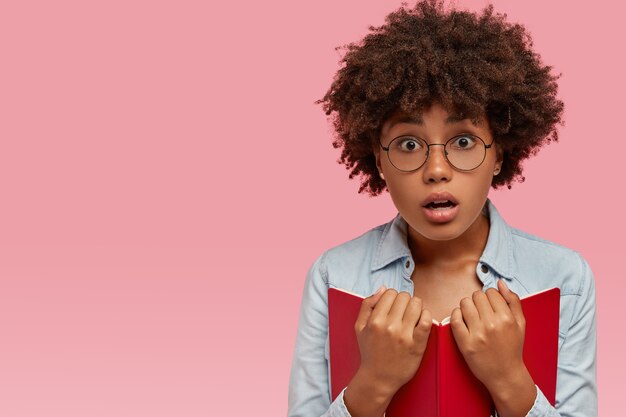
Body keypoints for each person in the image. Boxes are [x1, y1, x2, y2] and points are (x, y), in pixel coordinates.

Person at [286, 1, 597, 416]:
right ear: (378, 159)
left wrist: (510, 380)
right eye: (409, 144)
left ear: (499, 153)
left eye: (464, 141)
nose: (436, 170)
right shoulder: (333, 276)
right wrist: (373, 384)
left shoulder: (564, 278)